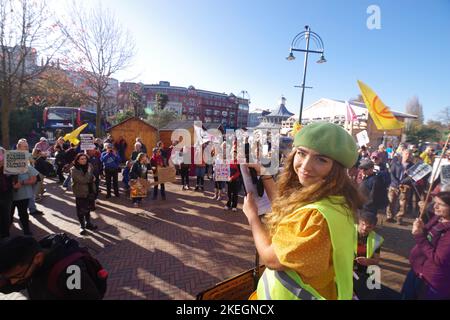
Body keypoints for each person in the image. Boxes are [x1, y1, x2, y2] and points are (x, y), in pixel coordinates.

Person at [243, 122, 365, 300]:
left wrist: (253, 218)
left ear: (337, 168)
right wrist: (265, 174)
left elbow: (270, 259)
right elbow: (288, 212)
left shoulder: (317, 218)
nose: (306, 166)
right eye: (301, 153)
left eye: (321, 159)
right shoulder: (333, 199)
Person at [0, 234, 105, 299]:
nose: (13, 281)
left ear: (38, 258)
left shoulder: (71, 271)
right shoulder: (31, 262)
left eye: (18, 275)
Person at [401, 189, 450, 299]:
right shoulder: (438, 218)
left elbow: (438, 259)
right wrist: (422, 228)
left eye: (440, 204)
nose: (435, 207)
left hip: (431, 282)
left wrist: (419, 235)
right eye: (435, 202)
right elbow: (429, 237)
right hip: (417, 271)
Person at [353, 211, 383, 300]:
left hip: (362, 270)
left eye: (369, 227)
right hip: (346, 267)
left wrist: (368, 261)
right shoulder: (348, 231)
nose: (365, 228)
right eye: (362, 224)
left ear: (373, 227)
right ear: (359, 222)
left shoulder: (377, 239)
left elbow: (376, 260)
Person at [71, 153, 97, 235]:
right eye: (81, 159)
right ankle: (82, 226)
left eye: (85, 158)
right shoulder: (74, 169)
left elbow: (93, 177)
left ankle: (88, 223)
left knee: (88, 209)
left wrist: (92, 177)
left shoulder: (89, 166)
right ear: (77, 160)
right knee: (81, 211)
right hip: (81, 192)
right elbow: (83, 180)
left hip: (90, 191)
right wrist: (90, 175)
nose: (84, 160)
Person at [386, 149, 414, 224]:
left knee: (403, 204)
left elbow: (412, 177)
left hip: (405, 186)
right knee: (391, 201)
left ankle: (399, 218)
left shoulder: (412, 166)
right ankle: (390, 216)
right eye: (406, 153)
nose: (408, 155)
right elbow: (392, 174)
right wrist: (397, 183)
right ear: (402, 154)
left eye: (409, 154)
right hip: (394, 185)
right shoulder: (396, 163)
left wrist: (403, 182)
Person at [0, 147, 14, 239]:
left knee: (6, 215)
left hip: (7, 194)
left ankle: (5, 235)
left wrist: (15, 183)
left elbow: (12, 179)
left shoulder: (9, 167)